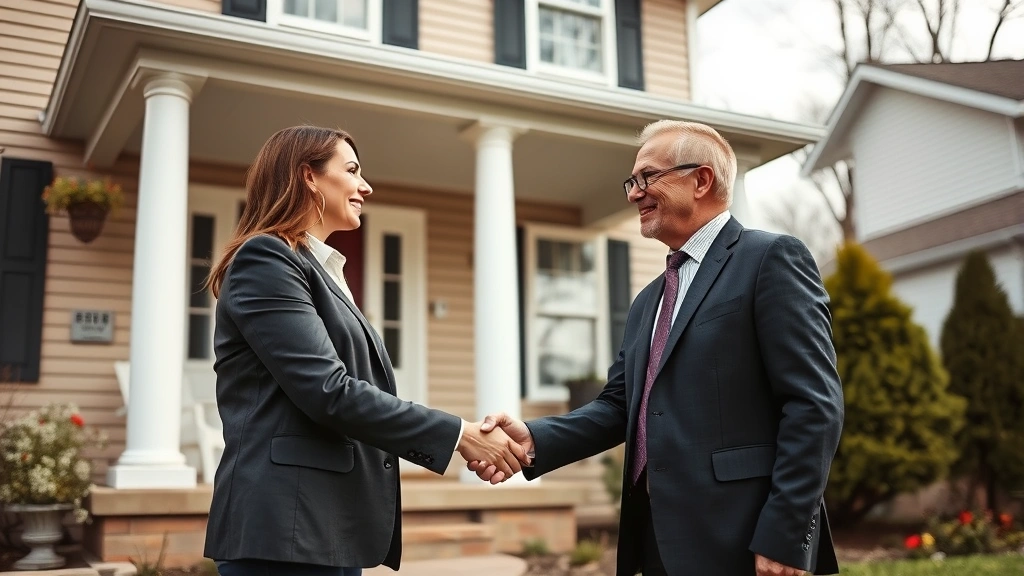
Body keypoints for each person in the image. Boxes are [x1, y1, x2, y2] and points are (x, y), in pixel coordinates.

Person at [469, 120, 845, 576]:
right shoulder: (648, 300)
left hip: (744, 538)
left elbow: (814, 404)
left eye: (648, 177)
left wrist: (785, 532)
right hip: (655, 541)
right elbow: (618, 406)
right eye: (632, 181)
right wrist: (535, 440)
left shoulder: (771, 259)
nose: (633, 193)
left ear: (701, 180)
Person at [203, 125, 529, 576]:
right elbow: (330, 391)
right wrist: (461, 435)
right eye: (352, 170)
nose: (366, 186)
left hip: (329, 523)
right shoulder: (266, 259)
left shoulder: (323, 271)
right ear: (309, 177)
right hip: (284, 526)